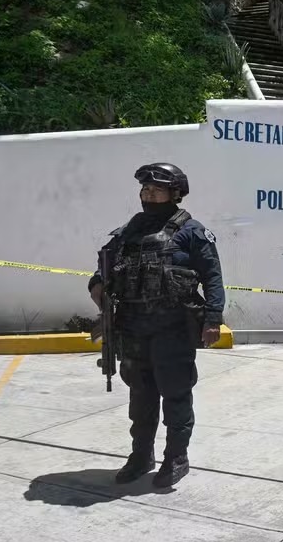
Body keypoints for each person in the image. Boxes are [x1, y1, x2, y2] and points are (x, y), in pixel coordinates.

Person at [88, 162, 225, 488]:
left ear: (174, 194)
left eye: (155, 190)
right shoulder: (129, 231)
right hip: (133, 327)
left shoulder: (191, 232)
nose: (148, 194)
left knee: (175, 394)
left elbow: (213, 278)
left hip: (173, 328)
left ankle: (176, 457)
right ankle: (141, 456)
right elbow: (105, 268)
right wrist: (96, 285)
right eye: (144, 189)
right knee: (140, 395)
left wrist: (213, 319)